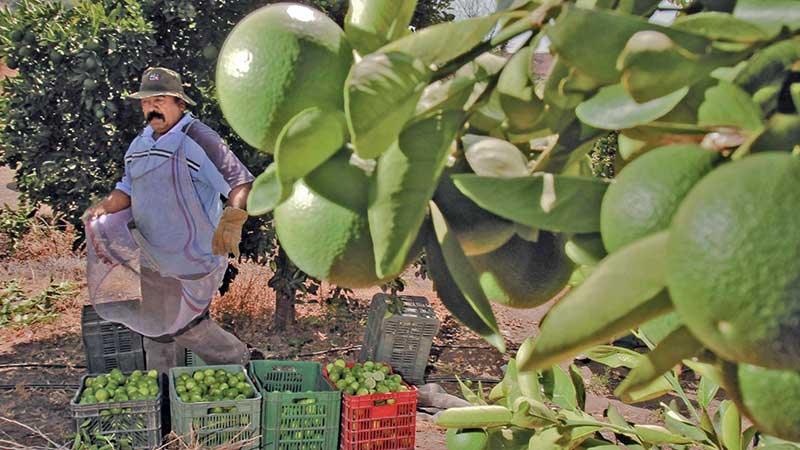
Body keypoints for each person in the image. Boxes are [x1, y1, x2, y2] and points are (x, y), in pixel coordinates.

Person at [82, 67, 259, 375]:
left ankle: (244, 361)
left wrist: (232, 219)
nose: (153, 107)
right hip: (153, 257)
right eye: (147, 101)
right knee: (157, 331)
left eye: (160, 99)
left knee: (188, 326)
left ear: (180, 103)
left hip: (192, 258)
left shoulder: (199, 139)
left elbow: (239, 181)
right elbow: (127, 188)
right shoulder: (140, 144)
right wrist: (104, 209)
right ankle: (164, 398)